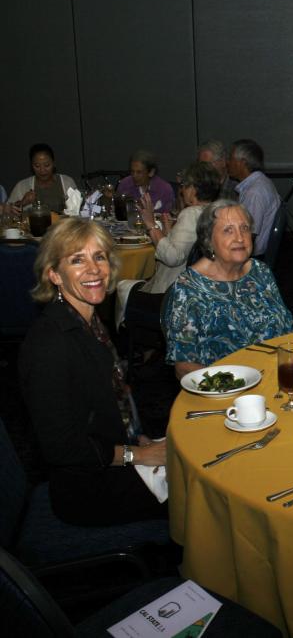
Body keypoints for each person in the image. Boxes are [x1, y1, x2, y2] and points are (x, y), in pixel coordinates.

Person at [19, 219, 167, 525]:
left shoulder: (90, 322)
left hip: (116, 459)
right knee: (207, 491)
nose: (94, 269)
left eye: (99, 256)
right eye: (77, 259)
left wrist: (139, 441)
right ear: (53, 274)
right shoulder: (50, 344)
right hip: (90, 489)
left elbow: (109, 404)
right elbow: (62, 448)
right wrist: (135, 456)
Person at [163, 201, 293, 378]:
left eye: (244, 228)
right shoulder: (189, 288)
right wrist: (235, 384)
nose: (240, 238)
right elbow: (184, 367)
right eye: (228, 230)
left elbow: (287, 330)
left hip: (275, 376)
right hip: (227, 390)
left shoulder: (260, 271)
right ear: (209, 241)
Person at [121, 162, 225, 337]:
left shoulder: (191, 214)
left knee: (122, 286)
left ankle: (130, 339)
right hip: (204, 290)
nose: (182, 190)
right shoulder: (218, 211)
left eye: (185, 186)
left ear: (194, 189)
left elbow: (172, 257)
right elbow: (190, 250)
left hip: (172, 295)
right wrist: (169, 232)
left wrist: (150, 225)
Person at [227, 139, 281, 255]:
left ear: (242, 163)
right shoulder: (261, 182)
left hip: (252, 256)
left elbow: (248, 236)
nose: (228, 162)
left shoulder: (254, 193)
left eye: (230, 159)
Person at [5, 143, 77, 215]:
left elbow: (78, 209)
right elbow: (8, 212)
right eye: (37, 166)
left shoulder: (67, 182)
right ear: (31, 166)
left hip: (63, 225)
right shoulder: (22, 186)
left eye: (47, 165)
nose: (42, 170)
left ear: (54, 163)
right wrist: (23, 202)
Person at [116, 149, 176, 214]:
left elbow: (169, 216)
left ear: (151, 172)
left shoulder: (164, 189)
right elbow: (118, 213)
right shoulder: (125, 184)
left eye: (139, 172)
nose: (134, 175)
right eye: (132, 171)